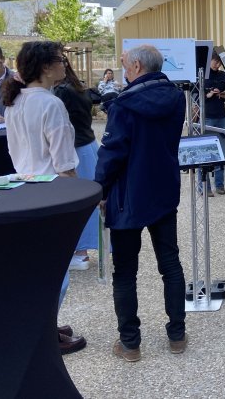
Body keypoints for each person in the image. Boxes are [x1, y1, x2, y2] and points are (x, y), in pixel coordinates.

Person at [95, 44, 188, 362]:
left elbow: (112, 152)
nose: (122, 69)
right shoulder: (177, 98)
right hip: (163, 189)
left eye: (123, 64)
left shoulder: (124, 103)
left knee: (125, 271)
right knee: (170, 264)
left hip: (128, 196)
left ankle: (130, 343)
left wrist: (100, 188)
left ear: (136, 66)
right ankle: (177, 335)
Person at [2, 41, 85, 355]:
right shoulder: (51, 104)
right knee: (56, 272)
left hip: (24, 188)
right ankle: (42, 332)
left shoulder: (14, 102)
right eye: (61, 61)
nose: (65, 65)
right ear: (47, 67)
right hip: (53, 192)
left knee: (38, 267)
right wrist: (80, 197)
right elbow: (64, 163)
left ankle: (44, 324)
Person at [52, 61, 100, 271]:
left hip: (76, 150)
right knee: (89, 202)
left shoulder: (61, 92)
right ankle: (81, 252)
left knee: (78, 203)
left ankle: (80, 252)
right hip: (87, 146)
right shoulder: (77, 86)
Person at [199, 51, 225, 196]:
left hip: (221, 116)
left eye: (219, 63)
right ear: (209, 61)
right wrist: (209, 94)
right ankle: (204, 187)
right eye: (215, 61)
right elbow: (197, 97)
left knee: (221, 150)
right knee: (206, 151)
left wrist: (223, 94)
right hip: (207, 116)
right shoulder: (202, 75)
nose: (217, 65)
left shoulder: (223, 75)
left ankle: (219, 184)